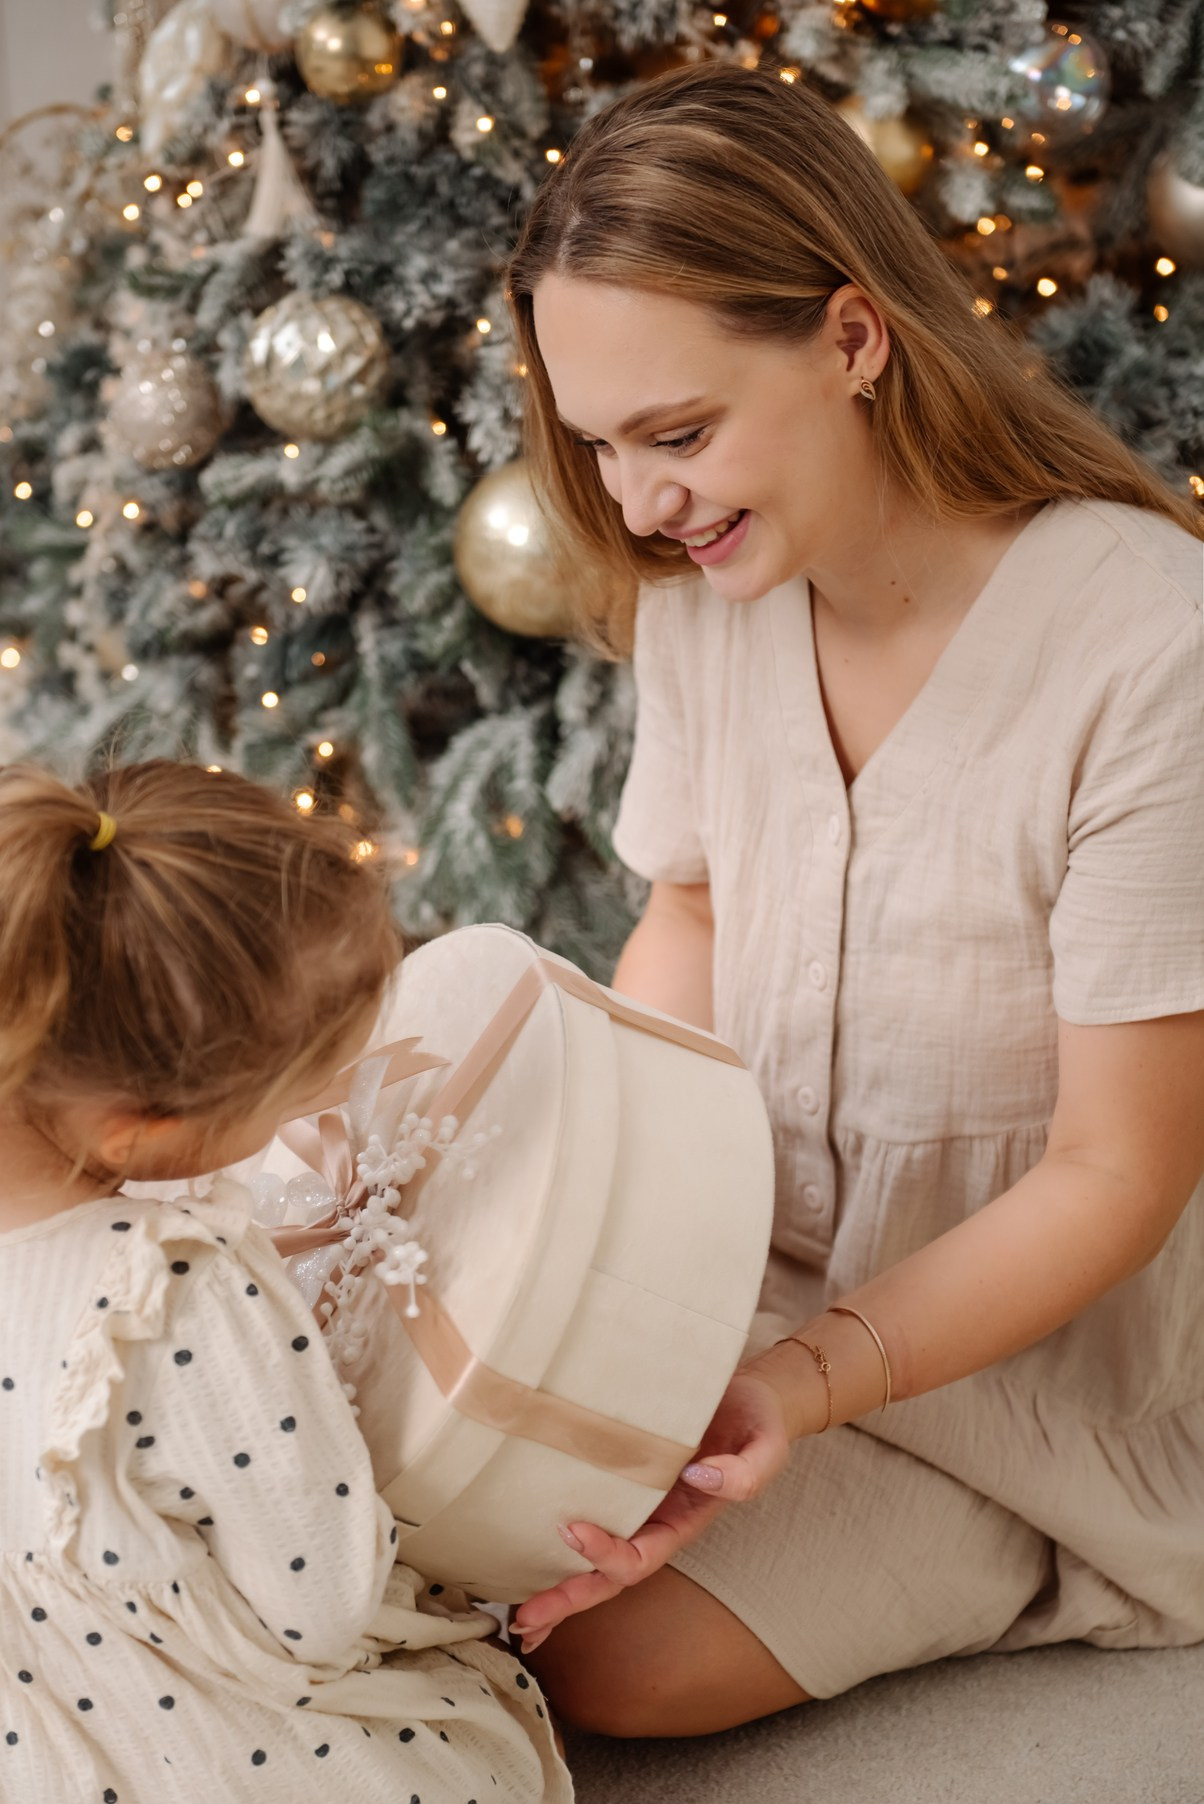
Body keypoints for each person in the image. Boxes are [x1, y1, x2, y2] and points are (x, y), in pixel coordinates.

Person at [499, 60, 1204, 1737]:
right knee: (429, 1514)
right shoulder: (708, 597)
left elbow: (1115, 1169)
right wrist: (602, 1220)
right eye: (597, 449)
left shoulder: (1149, 646)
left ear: (849, 338)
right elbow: (695, 918)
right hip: (746, 1288)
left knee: (598, 1651)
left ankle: (1051, 1552)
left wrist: (804, 1381)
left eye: (674, 433)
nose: (639, 503)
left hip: (1019, 1366)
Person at [0, 760, 571, 1803]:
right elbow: (320, 1600)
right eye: (306, 1089)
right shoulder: (171, 1286)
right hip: (207, 1751)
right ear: (149, 1131)